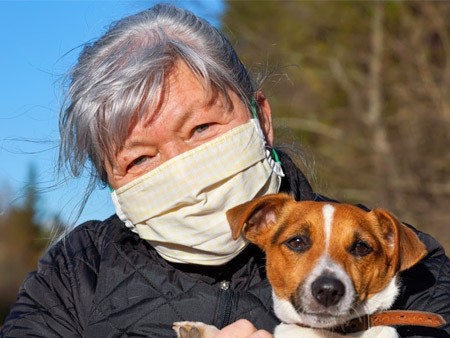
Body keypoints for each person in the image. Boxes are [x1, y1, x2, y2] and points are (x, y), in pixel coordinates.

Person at [1, 4, 449, 338]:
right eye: (139, 158)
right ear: (109, 181)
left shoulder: (404, 261)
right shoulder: (74, 273)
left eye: (200, 127)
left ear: (261, 119)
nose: (180, 170)